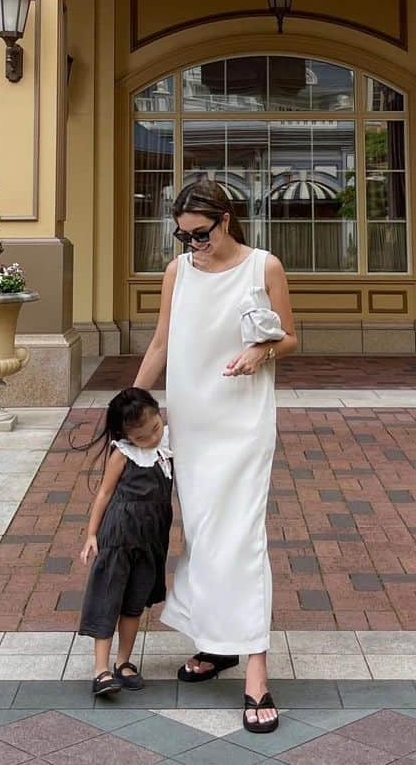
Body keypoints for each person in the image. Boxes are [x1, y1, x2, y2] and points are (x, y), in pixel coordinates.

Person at [133, 179, 298, 735]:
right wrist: (130, 405)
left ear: (225, 220)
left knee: (243, 535)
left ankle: (255, 669)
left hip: (244, 421)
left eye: (201, 234)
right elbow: (161, 341)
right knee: (203, 534)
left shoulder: (263, 267)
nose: (193, 245)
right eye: (183, 236)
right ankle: (217, 643)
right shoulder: (179, 272)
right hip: (192, 422)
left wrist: (260, 350)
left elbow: (291, 338)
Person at [77, 388, 173, 696]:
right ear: (126, 435)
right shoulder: (122, 454)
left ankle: (124, 662)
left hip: (151, 539)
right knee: (108, 598)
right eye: (143, 437)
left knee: (134, 604)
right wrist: (92, 534)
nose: (152, 438)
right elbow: (104, 494)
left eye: (155, 428)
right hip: (119, 535)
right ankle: (101, 669)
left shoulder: (169, 445)